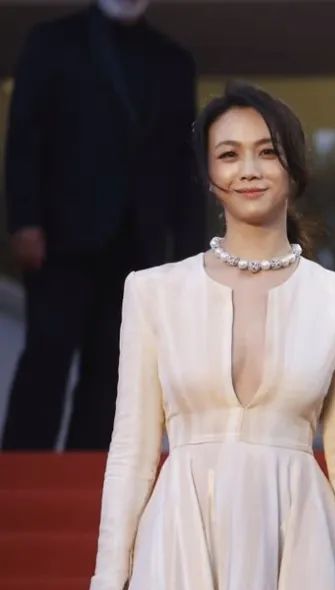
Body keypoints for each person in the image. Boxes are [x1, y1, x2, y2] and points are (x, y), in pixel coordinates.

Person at [84, 81, 335, 590]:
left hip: (298, 539)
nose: (248, 169)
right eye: (229, 154)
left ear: (294, 168)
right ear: (208, 176)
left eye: (267, 151)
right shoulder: (152, 292)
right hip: (181, 536)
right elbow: (132, 450)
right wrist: (110, 579)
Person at [3, 0, 204, 450]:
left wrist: (189, 257)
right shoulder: (52, 43)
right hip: (60, 238)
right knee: (47, 358)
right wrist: (25, 221)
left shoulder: (173, 60)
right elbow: (24, 138)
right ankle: (20, 472)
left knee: (113, 369)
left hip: (138, 242)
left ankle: (90, 472)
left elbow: (184, 167)